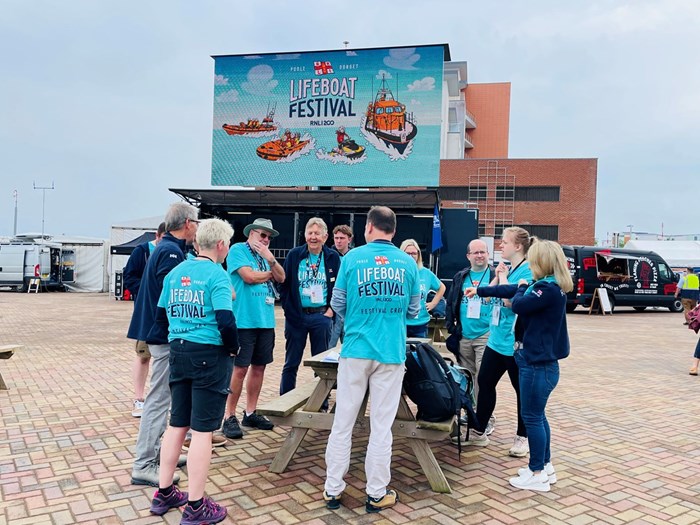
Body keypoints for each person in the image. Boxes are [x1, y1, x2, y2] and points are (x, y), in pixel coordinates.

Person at [323, 206, 420, 513]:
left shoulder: (352, 258)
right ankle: (376, 492)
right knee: (381, 426)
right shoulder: (408, 263)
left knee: (343, 423)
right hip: (390, 352)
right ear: (393, 230)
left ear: (368, 228)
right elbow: (414, 311)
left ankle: (332, 489)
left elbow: (337, 302)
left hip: (354, 350)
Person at [148, 218, 238, 522]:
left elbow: (160, 317)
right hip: (209, 354)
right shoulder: (217, 275)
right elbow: (226, 320)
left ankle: (164, 491)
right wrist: (233, 348)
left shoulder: (175, 274)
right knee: (202, 430)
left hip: (179, 351)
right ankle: (197, 505)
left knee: (177, 424)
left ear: (198, 243)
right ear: (222, 245)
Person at [474, 240, 572, 492]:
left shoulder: (546, 290)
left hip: (537, 365)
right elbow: (511, 293)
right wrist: (482, 291)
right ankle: (545, 466)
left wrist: (518, 286)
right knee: (538, 416)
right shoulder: (547, 287)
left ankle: (536, 472)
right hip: (540, 364)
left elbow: (518, 303)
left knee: (532, 418)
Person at [128, 202, 201, 487]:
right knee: (158, 400)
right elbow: (174, 295)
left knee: (163, 398)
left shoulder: (167, 248)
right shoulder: (170, 251)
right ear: (186, 223)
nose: (196, 226)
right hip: (161, 335)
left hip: (156, 332)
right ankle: (144, 463)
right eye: (195, 222)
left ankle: (158, 453)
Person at [457, 227, 533, 458]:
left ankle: (523, 437)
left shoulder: (528, 271)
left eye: (505, 242)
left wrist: (501, 278)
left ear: (518, 246)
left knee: (521, 391)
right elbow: (490, 295)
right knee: (485, 382)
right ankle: (480, 430)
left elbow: (513, 302)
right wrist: (496, 281)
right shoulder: (509, 269)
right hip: (496, 340)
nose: (501, 246)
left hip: (514, 344)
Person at [221, 219, 285, 440]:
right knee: (239, 369)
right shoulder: (238, 249)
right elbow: (248, 277)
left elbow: (283, 277)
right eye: (262, 235)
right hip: (243, 321)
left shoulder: (267, 256)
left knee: (259, 368)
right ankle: (229, 415)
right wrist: (271, 272)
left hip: (265, 321)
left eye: (269, 237)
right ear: (250, 234)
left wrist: (270, 260)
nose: (265, 240)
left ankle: (250, 412)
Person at [279, 218, 341, 394]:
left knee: (321, 363)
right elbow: (284, 284)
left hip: (321, 316)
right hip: (296, 317)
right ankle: (284, 397)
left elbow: (340, 288)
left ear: (325, 236)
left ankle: (320, 401)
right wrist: (288, 310)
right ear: (305, 235)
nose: (313, 237)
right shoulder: (294, 255)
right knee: (291, 362)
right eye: (310, 233)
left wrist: (331, 311)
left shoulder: (332, 257)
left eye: (317, 233)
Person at [445, 239, 494, 413]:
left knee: (483, 378)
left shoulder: (495, 275)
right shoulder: (461, 276)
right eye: (476, 252)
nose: (480, 255)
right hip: (464, 335)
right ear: (468, 256)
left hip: (486, 335)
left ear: (488, 254)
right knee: (467, 377)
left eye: (483, 252)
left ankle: (484, 417)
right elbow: (451, 302)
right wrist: (452, 326)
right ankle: (470, 411)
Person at [125, 222, 166, 418]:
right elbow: (129, 278)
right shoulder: (141, 251)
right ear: (157, 236)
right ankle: (138, 398)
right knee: (143, 355)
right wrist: (148, 288)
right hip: (145, 314)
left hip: (166, 315)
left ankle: (161, 399)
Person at [400, 239, 446, 338]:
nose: (410, 256)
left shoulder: (426, 273)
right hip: (401, 323)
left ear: (418, 255)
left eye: (413, 253)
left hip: (420, 324)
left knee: (419, 353)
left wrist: (433, 303)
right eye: (407, 253)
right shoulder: (397, 272)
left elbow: (442, 287)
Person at [328, 225, 353, 348]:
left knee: (349, 346)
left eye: (342, 238)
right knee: (329, 346)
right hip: (334, 308)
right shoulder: (329, 256)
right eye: (336, 238)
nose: (338, 241)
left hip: (350, 308)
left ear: (349, 239)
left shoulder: (354, 258)